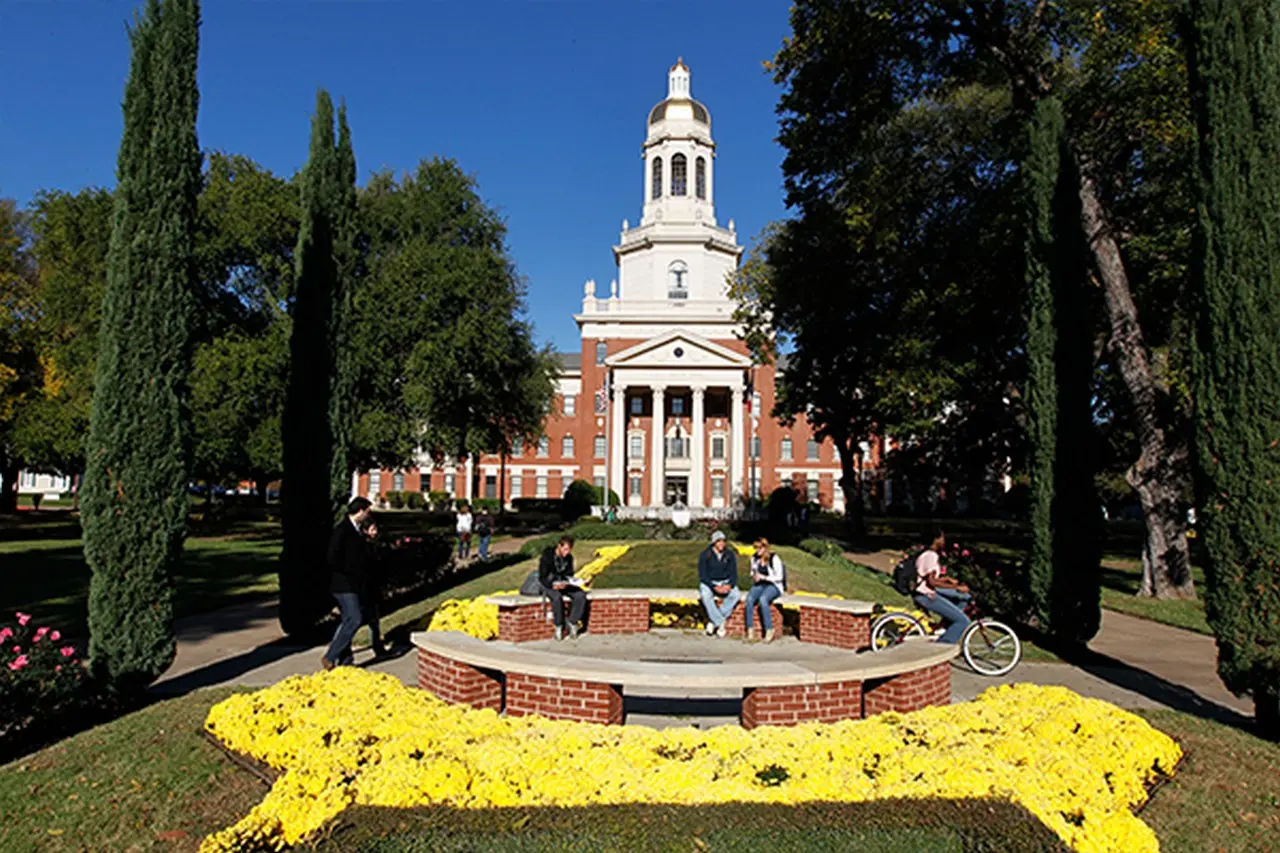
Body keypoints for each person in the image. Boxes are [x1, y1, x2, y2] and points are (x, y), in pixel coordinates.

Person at [322, 497, 377, 670]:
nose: (368, 515)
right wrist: (349, 571)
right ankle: (331, 656)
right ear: (359, 510)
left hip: (354, 584)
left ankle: (346, 660)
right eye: (367, 511)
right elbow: (332, 557)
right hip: (343, 585)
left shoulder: (357, 530)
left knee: (347, 619)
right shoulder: (342, 530)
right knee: (354, 618)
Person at [913, 530, 972, 644]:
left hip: (925, 592)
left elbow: (927, 577)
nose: (944, 540)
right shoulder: (931, 556)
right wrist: (956, 587)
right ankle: (942, 648)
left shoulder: (926, 554)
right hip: (926, 595)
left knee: (962, 597)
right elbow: (932, 582)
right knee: (963, 621)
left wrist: (947, 580)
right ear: (937, 539)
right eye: (942, 538)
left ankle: (944, 627)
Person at [539, 535, 586, 640]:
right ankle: (559, 626)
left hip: (564, 584)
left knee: (581, 595)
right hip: (549, 584)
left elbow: (569, 574)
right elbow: (542, 577)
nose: (567, 552)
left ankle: (573, 621)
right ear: (559, 546)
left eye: (569, 550)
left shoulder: (569, 558)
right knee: (556, 598)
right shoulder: (547, 557)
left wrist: (571, 582)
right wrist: (553, 585)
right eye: (565, 549)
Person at [698, 530, 741, 638]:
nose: (721, 544)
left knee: (736, 595)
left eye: (723, 541)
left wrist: (729, 585)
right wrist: (714, 587)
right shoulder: (705, 555)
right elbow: (703, 575)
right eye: (719, 541)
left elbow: (734, 574)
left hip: (725, 581)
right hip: (710, 582)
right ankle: (720, 623)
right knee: (705, 595)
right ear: (714, 543)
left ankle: (713, 622)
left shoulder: (729, 554)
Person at [744, 538, 785, 643]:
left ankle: (769, 629)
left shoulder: (774, 558)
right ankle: (750, 629)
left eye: (759, 548)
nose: (757, 550)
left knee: (763, 599)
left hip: (774, 585)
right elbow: (752, 572)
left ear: (765, 548)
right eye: (755, 548)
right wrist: (754, 576)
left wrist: (765, 577)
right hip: (760, 584)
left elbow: (779, 577)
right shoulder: (754, 558)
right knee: (749, 599)